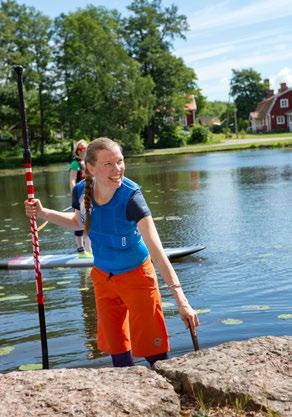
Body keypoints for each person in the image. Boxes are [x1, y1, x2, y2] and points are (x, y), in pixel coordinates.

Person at [25, 137, 199, 368]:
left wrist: (181, 300)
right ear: (90, 168)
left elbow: (156, 251)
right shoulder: (80, 191)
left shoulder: (131, 196)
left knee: (153, 352)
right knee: (118, 353)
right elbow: (79, 221)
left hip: (138, 278)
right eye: (108, 164)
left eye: (120, 161)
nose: (117, 169)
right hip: (103, 279)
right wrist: (43, 212)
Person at [69, 139, 91, 255]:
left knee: (89, 221)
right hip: (79, 195)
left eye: (85, 148)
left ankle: (89, 248)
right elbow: (72, 181)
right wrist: (76, 197)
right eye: (81, 149)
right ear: (77, 151)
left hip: (89, 195)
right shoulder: (75, 164)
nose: (83, 151)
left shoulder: (89, 162)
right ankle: (80, 248)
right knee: (79, 221)